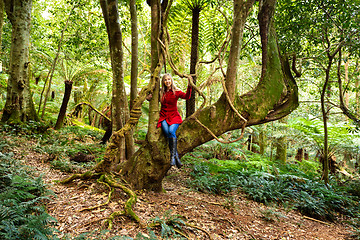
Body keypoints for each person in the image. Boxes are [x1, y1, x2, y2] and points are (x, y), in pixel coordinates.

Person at [148, 73, 192, 168]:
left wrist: (190, 85)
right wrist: (146, 96)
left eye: (169, 79)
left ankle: (172, 157)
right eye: (165, 80)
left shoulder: (176, 91)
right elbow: (151, 98)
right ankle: (176, 157)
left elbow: (187, 97)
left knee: (171, 131)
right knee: (167, 133)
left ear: (171, 80)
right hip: (163, 117)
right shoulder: (160, 92)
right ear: (163, 82)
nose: (167, 81)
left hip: (174, 117)